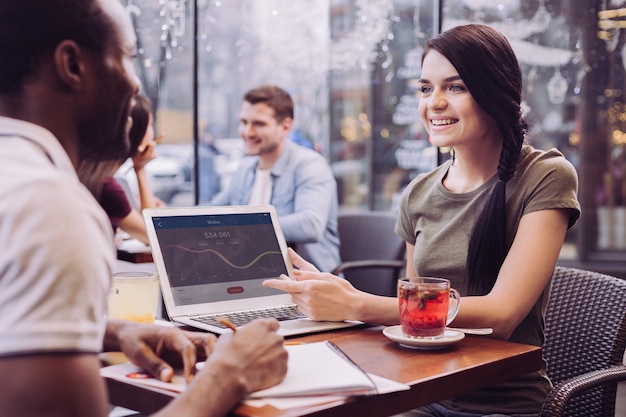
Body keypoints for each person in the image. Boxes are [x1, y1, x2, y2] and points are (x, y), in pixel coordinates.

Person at [263, 24, 581, 417]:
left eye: (456, 87)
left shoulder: (545, 175)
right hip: (423, 392)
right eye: (426, 88)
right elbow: (416, 319)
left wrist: (359, 305)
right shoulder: (419, 192)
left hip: (501, 405)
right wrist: (340, 297)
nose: (435, 103)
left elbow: (501, 316)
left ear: (496, 92)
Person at [0, 1, 287, 417]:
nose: (135, 85)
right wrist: (228, 376)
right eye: (128, 57)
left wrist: (111, 333)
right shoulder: (48, 206)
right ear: (72, 65)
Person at [208, 85, 341, 273]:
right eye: (244, 122)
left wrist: (244, 227)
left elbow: (311, 224)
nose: (248, 132)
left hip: (307, 285)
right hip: (254, 278)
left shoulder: (310, 165)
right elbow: (213, 210)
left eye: (259, 124)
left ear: (285, 127)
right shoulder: (246, 168)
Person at [80, 93, 164, 244]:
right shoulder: (106, 186)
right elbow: (153, 236)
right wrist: (140, 169)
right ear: (136, 130)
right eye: (150, 124)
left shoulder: (90, 172)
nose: (153, 132)